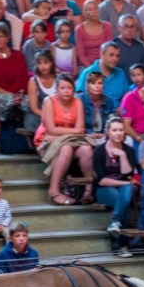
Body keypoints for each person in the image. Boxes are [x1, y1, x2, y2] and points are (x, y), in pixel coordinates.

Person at [36, 74, 93, 205]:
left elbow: (80, 129)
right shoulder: (49, 101)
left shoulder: (78, 102)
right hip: (47, 140)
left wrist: (62, 133)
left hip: (71, 140)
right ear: (56, 89)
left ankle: (88, 190)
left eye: (69, 87)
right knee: (66, 149)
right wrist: (73, 132)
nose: (66, 91)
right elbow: (51, 130)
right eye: (62, 88)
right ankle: (53, 191)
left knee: (86, 149)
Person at [92, 117, 138, 255]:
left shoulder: (128, 151)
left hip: (125, 189)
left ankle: (115, 225)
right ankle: (122, 245)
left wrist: (122, 155)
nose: (118, 133)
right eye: (114, 130)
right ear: (107, 132)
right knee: (122, 198)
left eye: (121, 130)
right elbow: (101, 181)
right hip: (103, 189)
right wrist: (125, 183)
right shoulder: (99, 151)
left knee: (126, 192)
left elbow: (127, 174)